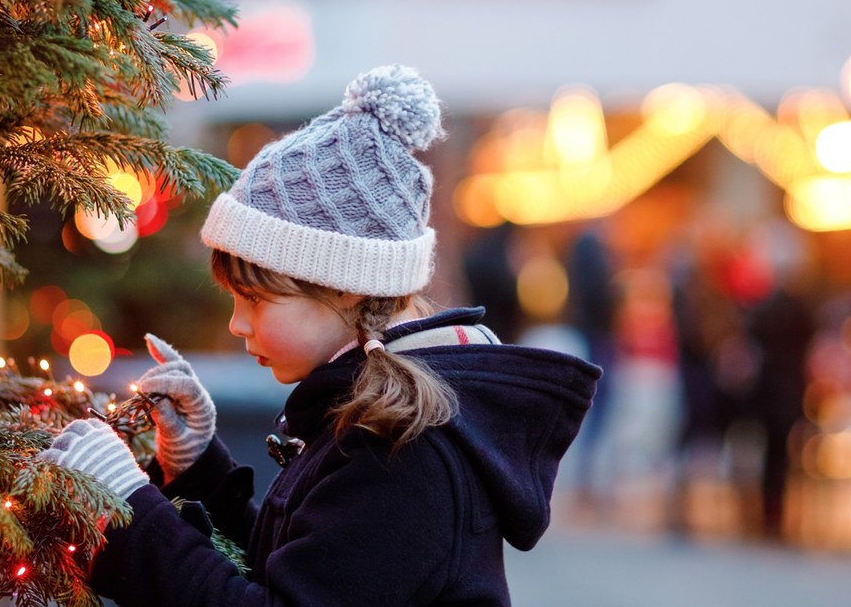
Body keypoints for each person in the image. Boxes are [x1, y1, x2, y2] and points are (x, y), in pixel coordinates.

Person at [39, 65, 601, 605]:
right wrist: (200, 468)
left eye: (256, 299)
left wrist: (127, 508)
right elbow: (305, 569)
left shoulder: (402, 452)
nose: (237, 323)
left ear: (347, 287)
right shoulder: (370, 411)